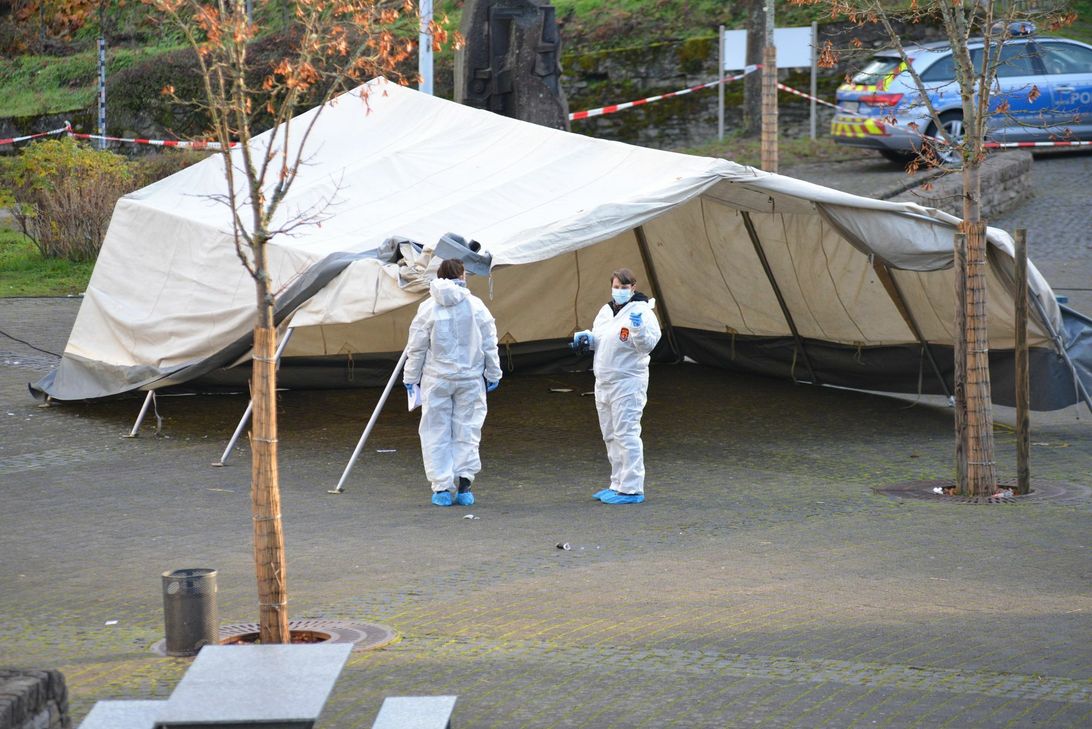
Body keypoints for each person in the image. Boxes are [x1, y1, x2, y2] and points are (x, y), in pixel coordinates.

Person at [404, 259, 502, 507]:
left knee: (435, 431)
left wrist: (410, 378)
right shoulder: (476, 306)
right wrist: (494, 372)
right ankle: (465, 484)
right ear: (462, 276)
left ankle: (441, 488)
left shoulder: (428, 307)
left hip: (437, 380)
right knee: (467, 430)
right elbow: (489, 342)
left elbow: (416, 348)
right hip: (469, 379)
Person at [572, 267, 661, 504]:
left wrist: (638, 328)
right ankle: (617, 483)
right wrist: (586, 341)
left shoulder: (642, 312)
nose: (619, 291)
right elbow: (602, 341)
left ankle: (632, 488)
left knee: (626, 433)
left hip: (628, 381)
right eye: (616, 287)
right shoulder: (606, 310)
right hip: (604, 381)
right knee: (610, 434)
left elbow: (647, 345)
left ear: (633, 287)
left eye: (624, 287)